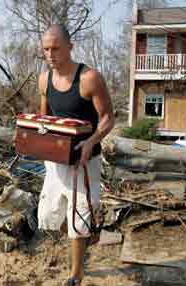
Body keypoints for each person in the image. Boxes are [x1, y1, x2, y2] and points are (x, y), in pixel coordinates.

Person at [37, 24, 114, 286]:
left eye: (56, 48)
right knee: (49, 216)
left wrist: (92, 142)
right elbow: (44, 120)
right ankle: (87, 233)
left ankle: (76, 273)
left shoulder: (89, 78)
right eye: (46, 49)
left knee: (78, 216)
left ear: (70, 47)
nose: (50, 54)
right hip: (56, 160)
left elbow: (107, 119)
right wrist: (36, 142)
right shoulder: (44, 79)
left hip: (84, 161)